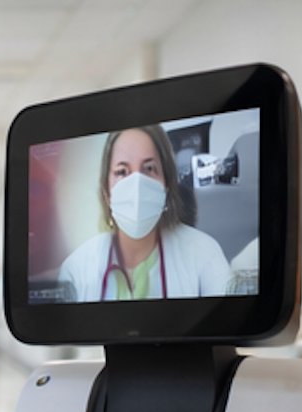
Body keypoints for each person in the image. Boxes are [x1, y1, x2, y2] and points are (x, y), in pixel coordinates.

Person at [58, 125, 230, 302]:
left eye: (149, 169)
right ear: (106, 193)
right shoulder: (76, 270)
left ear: (167, 187)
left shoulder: (205, 255)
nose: (137, 185)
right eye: (122, 172)